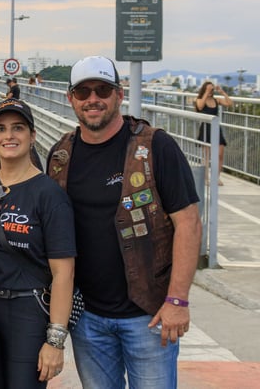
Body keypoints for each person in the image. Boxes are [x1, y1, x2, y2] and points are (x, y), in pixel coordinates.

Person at [47, 56, 202, 388]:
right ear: (70, 98)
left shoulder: (156, 146)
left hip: (149, 314)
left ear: (119, 94)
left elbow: (188, 223)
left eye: (102, 90)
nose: (93, 99)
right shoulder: (60, 156)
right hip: (87, 317)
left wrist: (177, 300)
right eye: (83, 92)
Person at [0, 99, 76, 388]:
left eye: (18, 128)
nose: (9, 136)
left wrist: (55, 340)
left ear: (33, 136)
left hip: (27, 311)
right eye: (0, 129)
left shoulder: (48, 194)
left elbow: (63, 273)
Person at [194, 81, 233, 186]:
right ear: (204, 89)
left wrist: (222, 92)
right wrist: (206, 92)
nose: (210, 91)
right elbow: (200, 107)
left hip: (216, 128)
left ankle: (216, 178)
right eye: (208, 89)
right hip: (206, 128)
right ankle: (206, 178)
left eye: (211, 89)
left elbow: (229, 103)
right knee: (207, 155)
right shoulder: (199, 99)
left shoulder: (216, 100)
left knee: (220, 154)